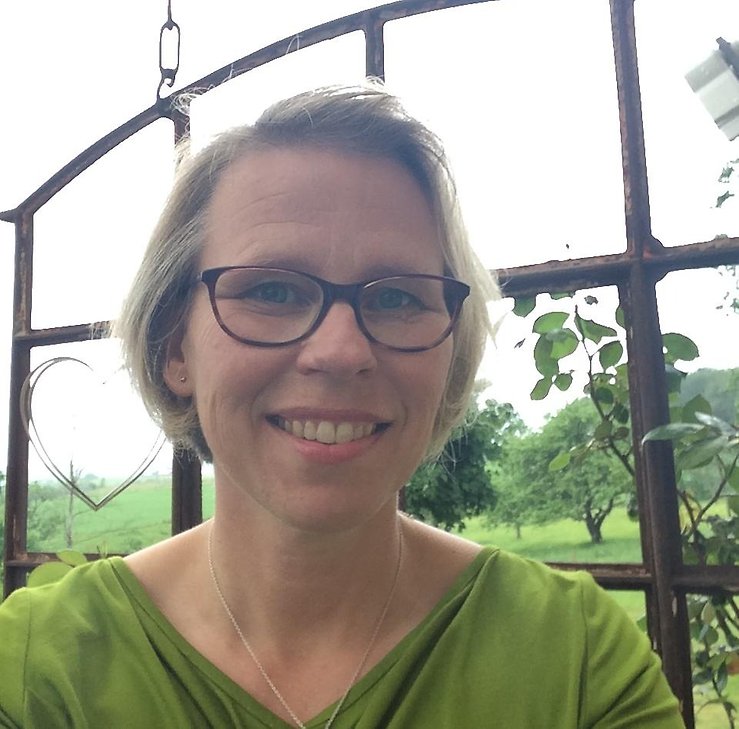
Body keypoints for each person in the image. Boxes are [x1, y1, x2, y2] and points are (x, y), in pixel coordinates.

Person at [0, 82, 684, 729]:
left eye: (397, 297)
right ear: (176, 344)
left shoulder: (574, 658)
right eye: (271, 291)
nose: (340, 351)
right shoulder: (35, 667)